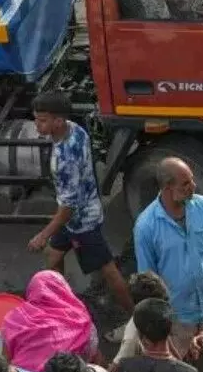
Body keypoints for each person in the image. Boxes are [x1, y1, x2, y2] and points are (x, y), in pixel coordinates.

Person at [28, 88, 133, 315]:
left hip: (82, 223)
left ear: (58, 121)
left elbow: (68, 208)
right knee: (53, 256)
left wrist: (42, 235)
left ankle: (134, 317)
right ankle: (62, 306)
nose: (37, 125)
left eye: (42, 121)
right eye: (36, 119)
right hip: (82, 211)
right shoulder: (76, 130)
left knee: (109, 270)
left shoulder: (64, 160)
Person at [133, 156, 203, 359]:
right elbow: (148, 280)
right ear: (167, 188)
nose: (193, 186)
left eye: (192, 180)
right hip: (179, 317)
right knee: (183, 369)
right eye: (186, 183)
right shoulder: (146, 226)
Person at [4, 269, 100, 372]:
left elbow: (6, 358)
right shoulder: (81, 319)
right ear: (63, 289)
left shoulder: (15, 319)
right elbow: (93, 356)